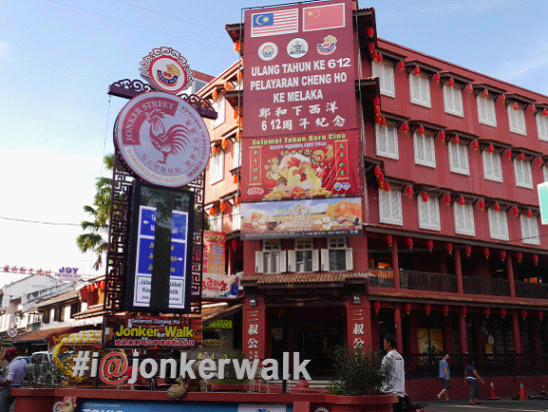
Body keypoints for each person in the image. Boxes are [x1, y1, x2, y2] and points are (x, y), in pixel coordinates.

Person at [381, 334, 405, 412]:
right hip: (400, 394)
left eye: (384, 342)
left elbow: (383, 374)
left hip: (390, 394)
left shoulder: (387, 358)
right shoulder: (400, 357)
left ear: (389, 343)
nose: (383, 344)